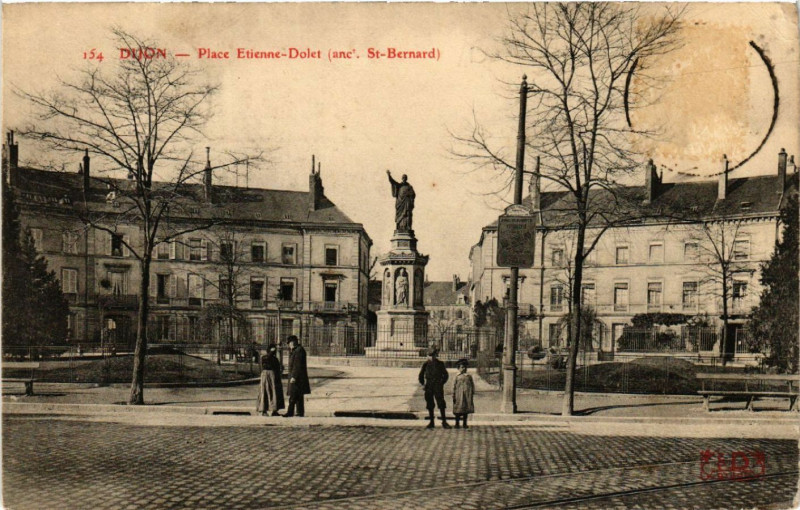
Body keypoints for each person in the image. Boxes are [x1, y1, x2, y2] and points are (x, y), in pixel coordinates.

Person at [418, 347, 450, 429]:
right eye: (430, 355)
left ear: (436, 355)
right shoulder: (425, 364)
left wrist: (441, 383)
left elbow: (446, 375)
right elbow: (421, 376)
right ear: (427, 356)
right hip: (429, 386)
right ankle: (431, 422)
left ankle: (444, 421)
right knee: (430, 404)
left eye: (433, 355)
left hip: (438, 386)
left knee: (441, 403)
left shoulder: (440, 364)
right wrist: (423, 384)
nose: (431, 357)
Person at [284, 335, 310, 417]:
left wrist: (294, 376)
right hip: (298, 377)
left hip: (297, 377)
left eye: (289, 343)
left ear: (293, 342)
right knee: (298, 395)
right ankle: (299, 412)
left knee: (293, 395)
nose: (289, 345)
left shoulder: (298, 351)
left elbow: (297, 365)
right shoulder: (296, 350)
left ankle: (290, 412)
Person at [256, 343, 284, 416]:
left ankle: (269, 410)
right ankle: (267, 410)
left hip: (267, 375)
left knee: (267, 392)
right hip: (270, 375)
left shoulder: (264, 358)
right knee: (270, 392)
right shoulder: (271, 359)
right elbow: (276, 368)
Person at [452, 359, 475, 429]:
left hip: (466, 395)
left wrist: (472, 393)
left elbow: (472, 385)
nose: (464, 368)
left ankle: (465, 423)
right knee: (458, 410)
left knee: (465, 409)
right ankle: (457, 423)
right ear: (458, 368)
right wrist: (453, 395)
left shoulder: (468, 376)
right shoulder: (457, 376)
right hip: (458, 395)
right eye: (462, 367)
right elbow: (453, 386)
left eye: (465, 367)